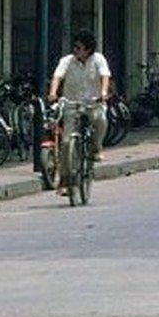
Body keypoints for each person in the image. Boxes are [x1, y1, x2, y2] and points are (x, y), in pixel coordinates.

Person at [47, 29, 111, 194]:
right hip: (72, 104)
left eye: (78, 47)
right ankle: (66, 181)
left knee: (100, 119)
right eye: (74, 47)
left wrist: (103, 93)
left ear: (88, 50)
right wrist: (53, 93)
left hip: (93, 103)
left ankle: (96, 147)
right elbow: (57, 77)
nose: (75, 51)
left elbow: (105, 76)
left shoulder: (98, 60)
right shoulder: (67, 61)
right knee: (67, 143)